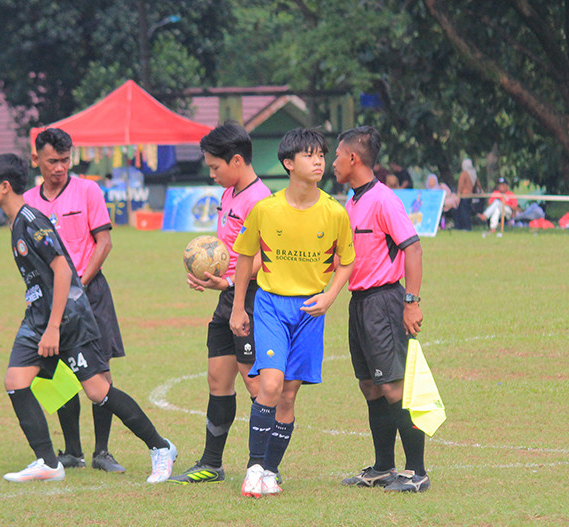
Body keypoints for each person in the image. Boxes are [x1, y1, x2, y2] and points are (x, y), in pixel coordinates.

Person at [0, 153, 176, 483]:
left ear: (4, 186)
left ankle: (160, 447)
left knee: (98, 391)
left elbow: (62, 270)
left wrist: (54, 327)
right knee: (15, 381)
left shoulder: (32, 221)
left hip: (68, 319)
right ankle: (48, 462)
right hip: (37, 317)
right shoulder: (15, 223)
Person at [229, 128, 356, 498]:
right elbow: (243, 257)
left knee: (288, 395)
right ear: (288, 163)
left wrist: (330, 296)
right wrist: (239, 307)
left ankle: (271, 470)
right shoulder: (266, 209)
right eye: (309, 155)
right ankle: (253, 467)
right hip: (271, 305)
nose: (318, 161)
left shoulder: (334, 212)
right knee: (269, 385)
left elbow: (346, 262)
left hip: (310, 310)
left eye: (321, 155)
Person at [170, 122, 272, 485]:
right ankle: (211, 463)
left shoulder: (260, 201)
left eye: (215, 167)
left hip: (251, 299)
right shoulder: (230, 193)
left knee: (255, 384)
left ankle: (263, 467)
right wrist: (214, 278)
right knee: (218, 378)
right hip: (230, 297)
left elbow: (264, 256)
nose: (211, 174)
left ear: (238, 160)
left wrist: (230, 284)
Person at [332, 125, 430, 493]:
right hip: (359, 304)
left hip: (385, 302)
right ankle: (383, 467)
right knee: (371, 386)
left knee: (394, 387)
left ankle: (416, 471)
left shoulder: (384, 199)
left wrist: (411, 302)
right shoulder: (353, 201)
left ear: (353, 158)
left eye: (338, 156)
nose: (334, 163)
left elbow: (413, 249)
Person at [23, 128, 127, 474]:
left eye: (65, 160)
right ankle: (72, 451)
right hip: (50, 301)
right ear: (36, 158)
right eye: (52, 161)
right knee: (57, 371)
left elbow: (105, 243)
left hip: (90, 293)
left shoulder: (87, 190)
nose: (60, 168)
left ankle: (102, 451)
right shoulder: (28, 202)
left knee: (99, 371)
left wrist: (79, 283)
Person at [454, 158, 480, 231]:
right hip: (470, 195)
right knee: (467, 212)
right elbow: (478, 185)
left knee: (462, 211)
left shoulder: (464, 174)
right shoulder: (473, 173)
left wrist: (458, 195)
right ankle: (467, 226)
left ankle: (463, 227)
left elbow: (460, 185)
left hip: (464, 195)